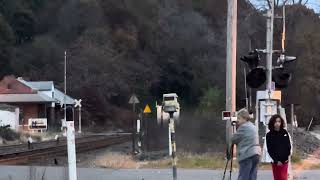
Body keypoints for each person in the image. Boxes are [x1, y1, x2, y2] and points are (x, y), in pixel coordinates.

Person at [231, 108, 261, 180]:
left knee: (243, 176)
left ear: (244, 118)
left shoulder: (243, 127)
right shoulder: (253, 126)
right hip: (256, 153)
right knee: (252, 176)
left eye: (239, 118)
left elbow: (233, 139)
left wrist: (234, 128)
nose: (237, 120)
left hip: (247, 154)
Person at [266, 114, 292, 180]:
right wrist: (276, 161)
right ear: (272, 123)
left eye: (279, 121)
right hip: (275, 162)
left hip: (285, 161)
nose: (277, 123)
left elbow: (288, 145)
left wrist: (286, 157)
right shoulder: (269, 135)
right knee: (277, 177)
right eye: (275, 121)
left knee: (283, 178)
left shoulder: (284, 132)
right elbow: (270, 149)